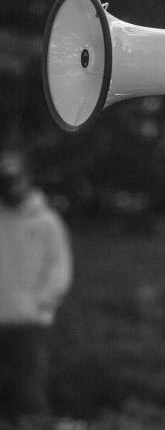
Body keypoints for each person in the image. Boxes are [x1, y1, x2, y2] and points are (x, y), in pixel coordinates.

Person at [0, 150, 73, 424]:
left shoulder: (46, 222)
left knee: (30, 394)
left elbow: (59, 269)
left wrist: (41, 304)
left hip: (30, 323)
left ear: (27, 178)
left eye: (14, 179)